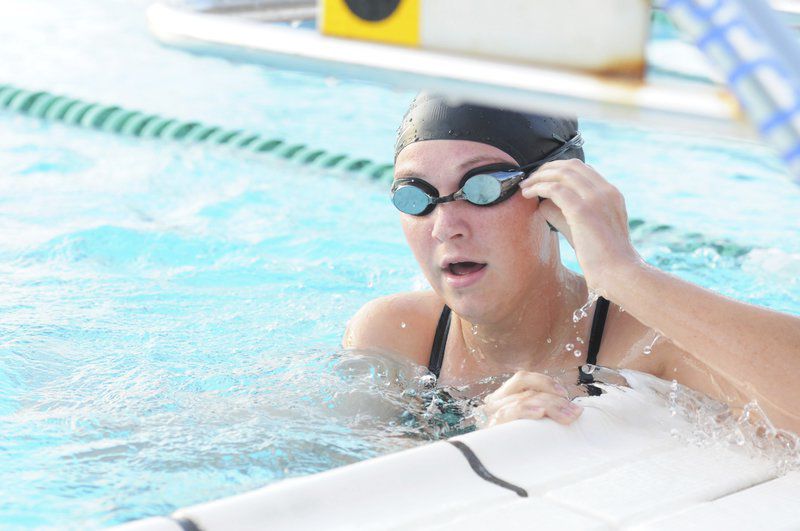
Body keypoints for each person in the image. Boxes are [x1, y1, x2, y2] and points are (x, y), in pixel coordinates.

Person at [343, 93, 800, 433]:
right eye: (415, 194)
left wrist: (624, 273)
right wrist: (478, 436)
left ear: (553, 196)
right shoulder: (395, 336)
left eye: (482, 187)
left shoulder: (643, 347)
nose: (446, 226)